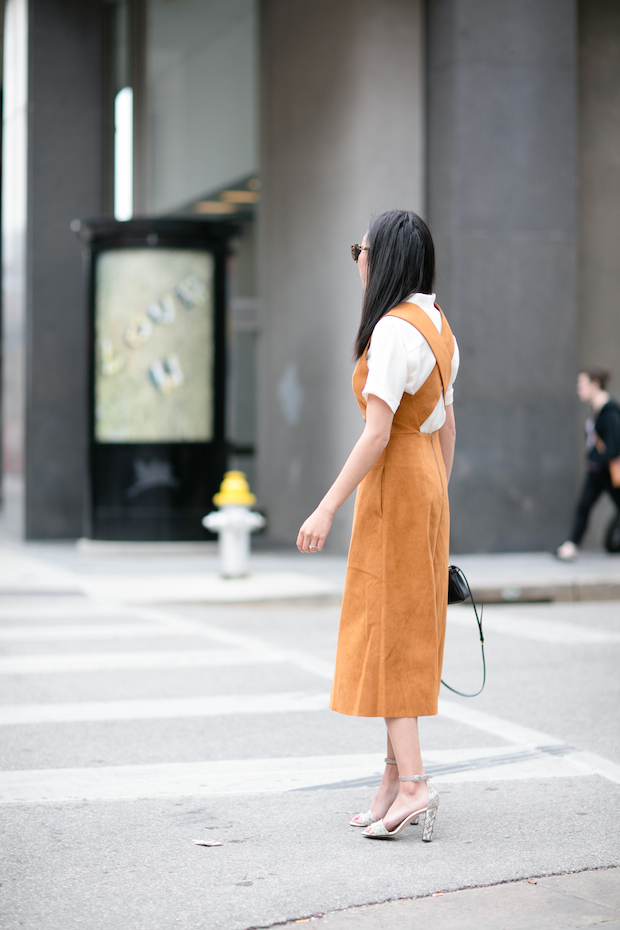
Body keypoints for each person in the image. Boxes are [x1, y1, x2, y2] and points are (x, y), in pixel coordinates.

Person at [297, 210, 459, 842]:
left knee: (390, 632)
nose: (357, 260)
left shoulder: (393, 331)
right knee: (405, 628)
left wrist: (326, 505)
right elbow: (447, 427)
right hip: (424, 484)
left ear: (382, 258)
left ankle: (415, 784)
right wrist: (438, 502)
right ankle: (392, 780)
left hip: (394, 483)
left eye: (359, 250)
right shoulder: (439, 325)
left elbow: (376, 434)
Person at [556, 369, 620, 560]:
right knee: (584, 506)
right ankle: (571, 545)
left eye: (582, 385)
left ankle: (572, 545)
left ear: (595, 385)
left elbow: (614, 445)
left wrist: (595, 458)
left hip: (609, 471)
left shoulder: (609, 413)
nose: (578, 389)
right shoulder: (596, 410)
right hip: (598, 470)